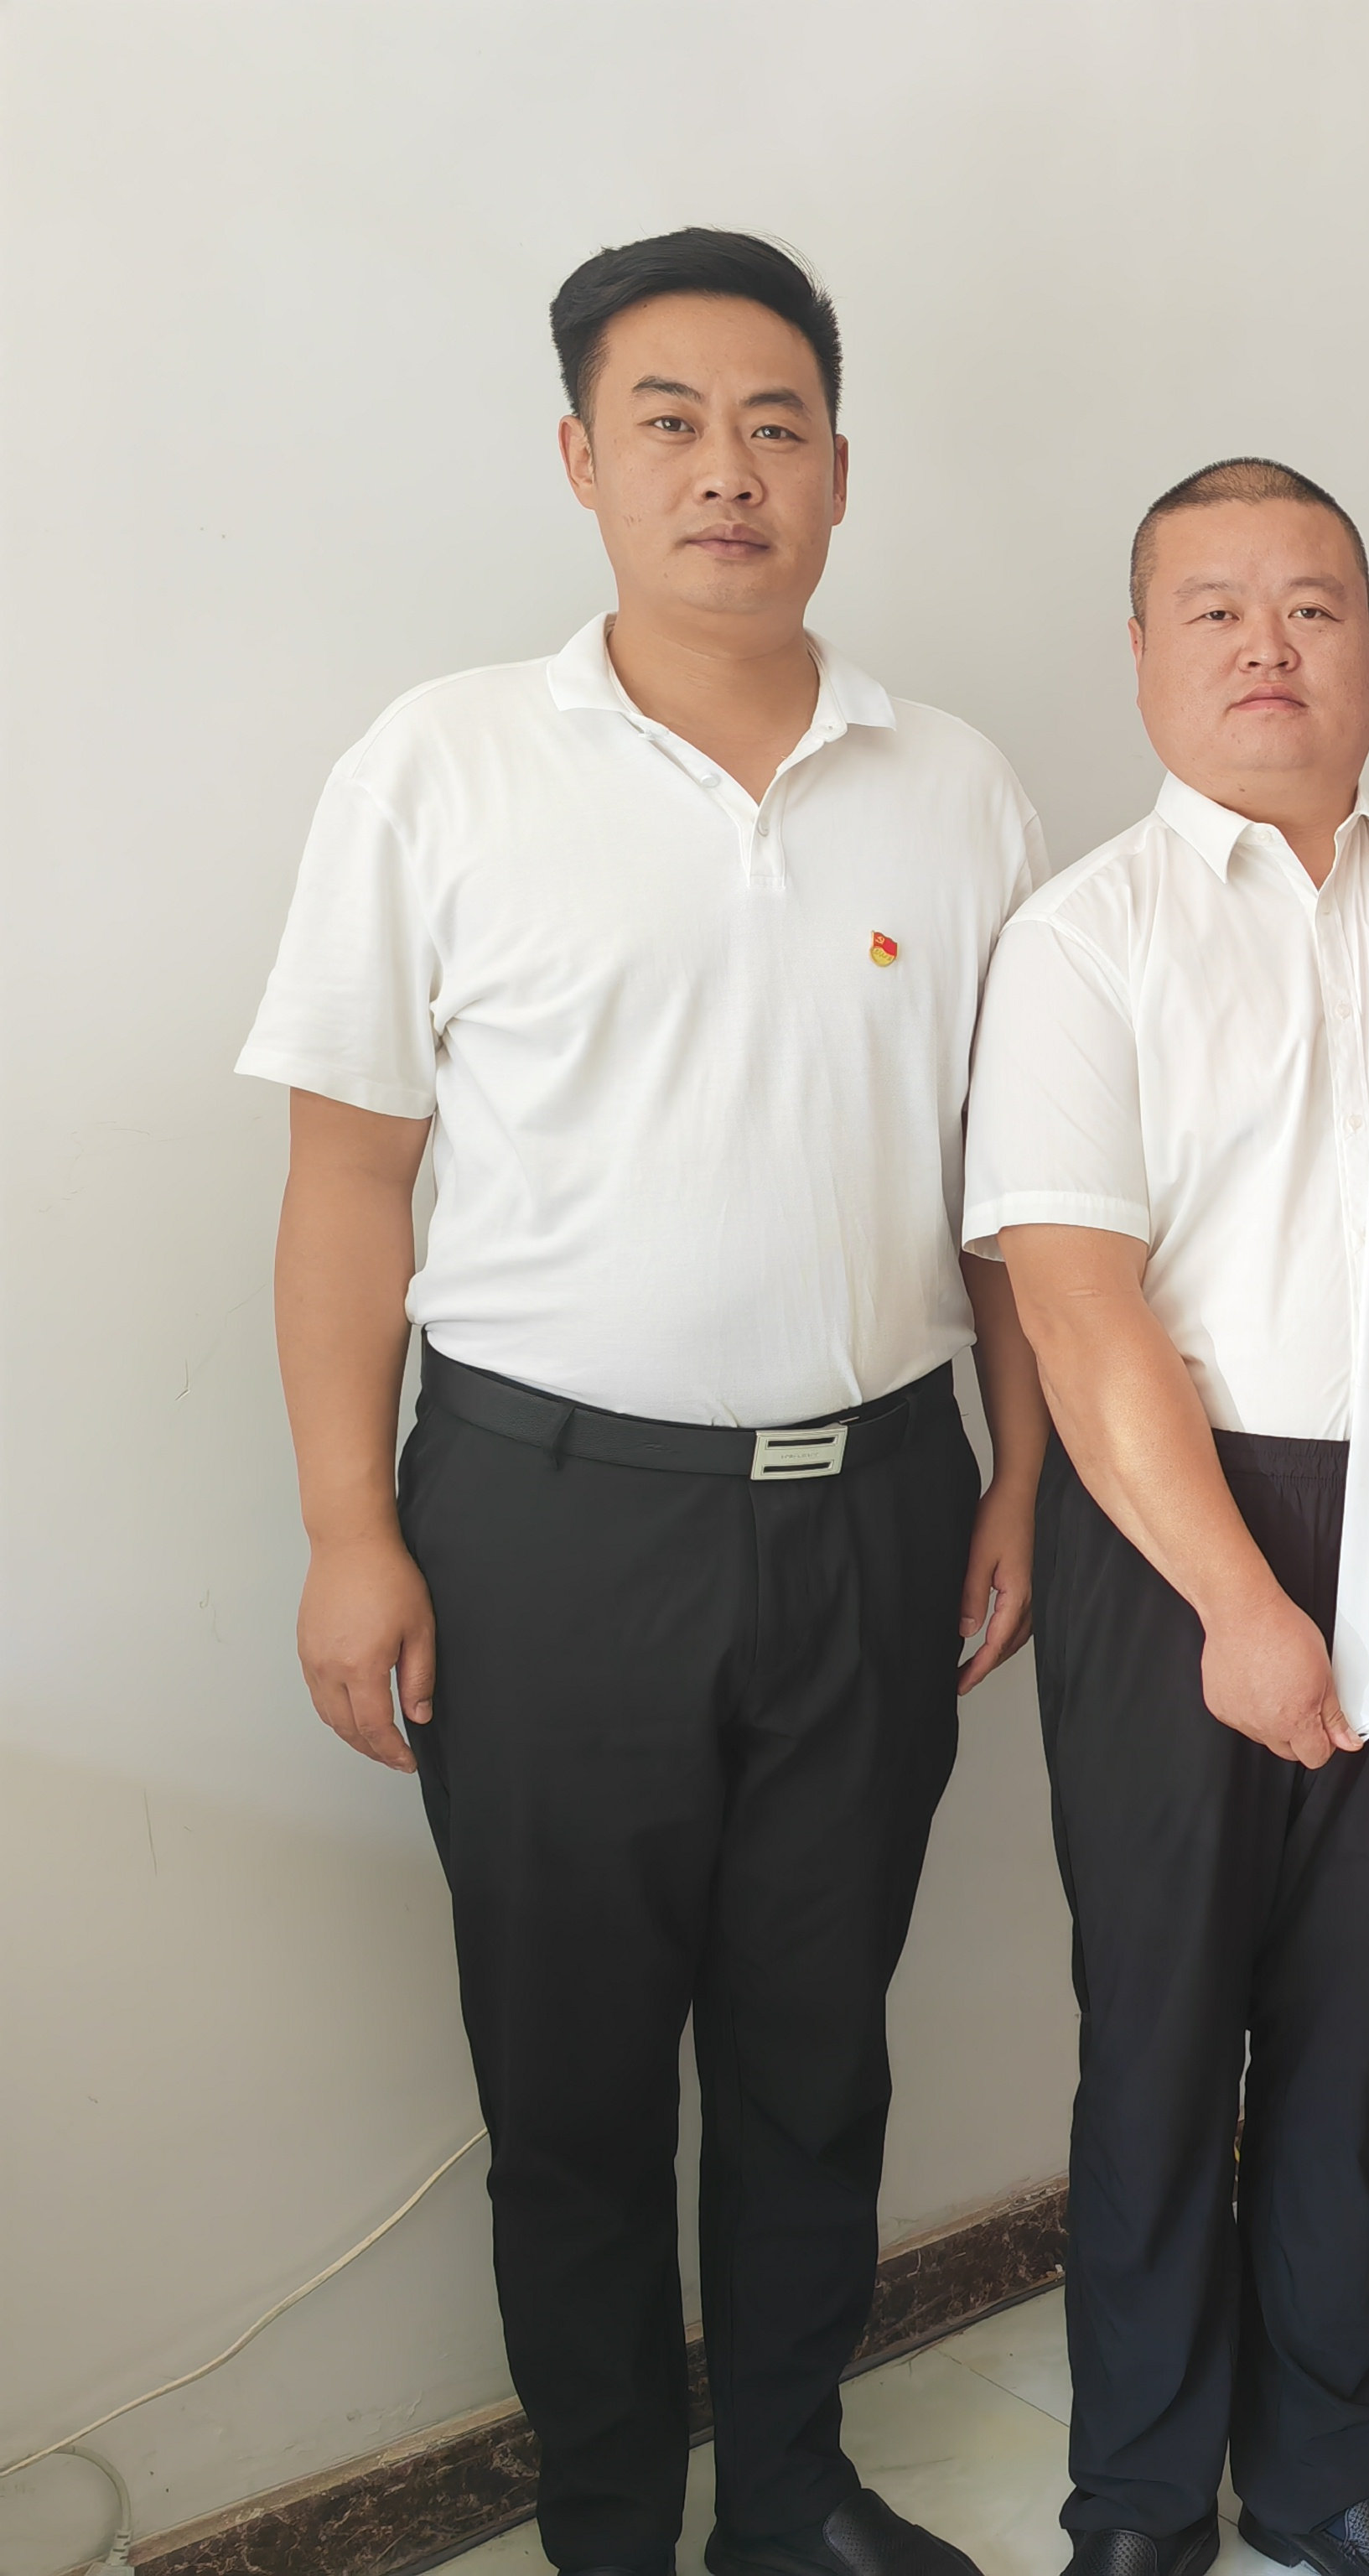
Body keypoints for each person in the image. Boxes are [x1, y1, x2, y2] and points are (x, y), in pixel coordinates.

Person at [241, 231, 1050, 2576]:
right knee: (575, 2087)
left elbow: (1015, 1204)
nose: (727, 471)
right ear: (582, 461)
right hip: (543, 1525)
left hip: (876, 1510)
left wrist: (1017, 1476)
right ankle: (610, 2524)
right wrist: (349, 1529)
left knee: (817, 2059)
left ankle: (788, 2499)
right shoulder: (444, 764)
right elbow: (345, 1183)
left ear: (839, 473)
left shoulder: (957, 789)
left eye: (775, 425)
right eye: (671, 423)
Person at [959, 458, 1369, 2576]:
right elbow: (1077, 1304)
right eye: (1211, 606)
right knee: (1158, 2036)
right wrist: (1233, 1596)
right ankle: (1139, 2496)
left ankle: (1323, 2473)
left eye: (1311, 602)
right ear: (1139, 654)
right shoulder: (1083, 939)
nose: (1265, 645)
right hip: (1175, 1530)